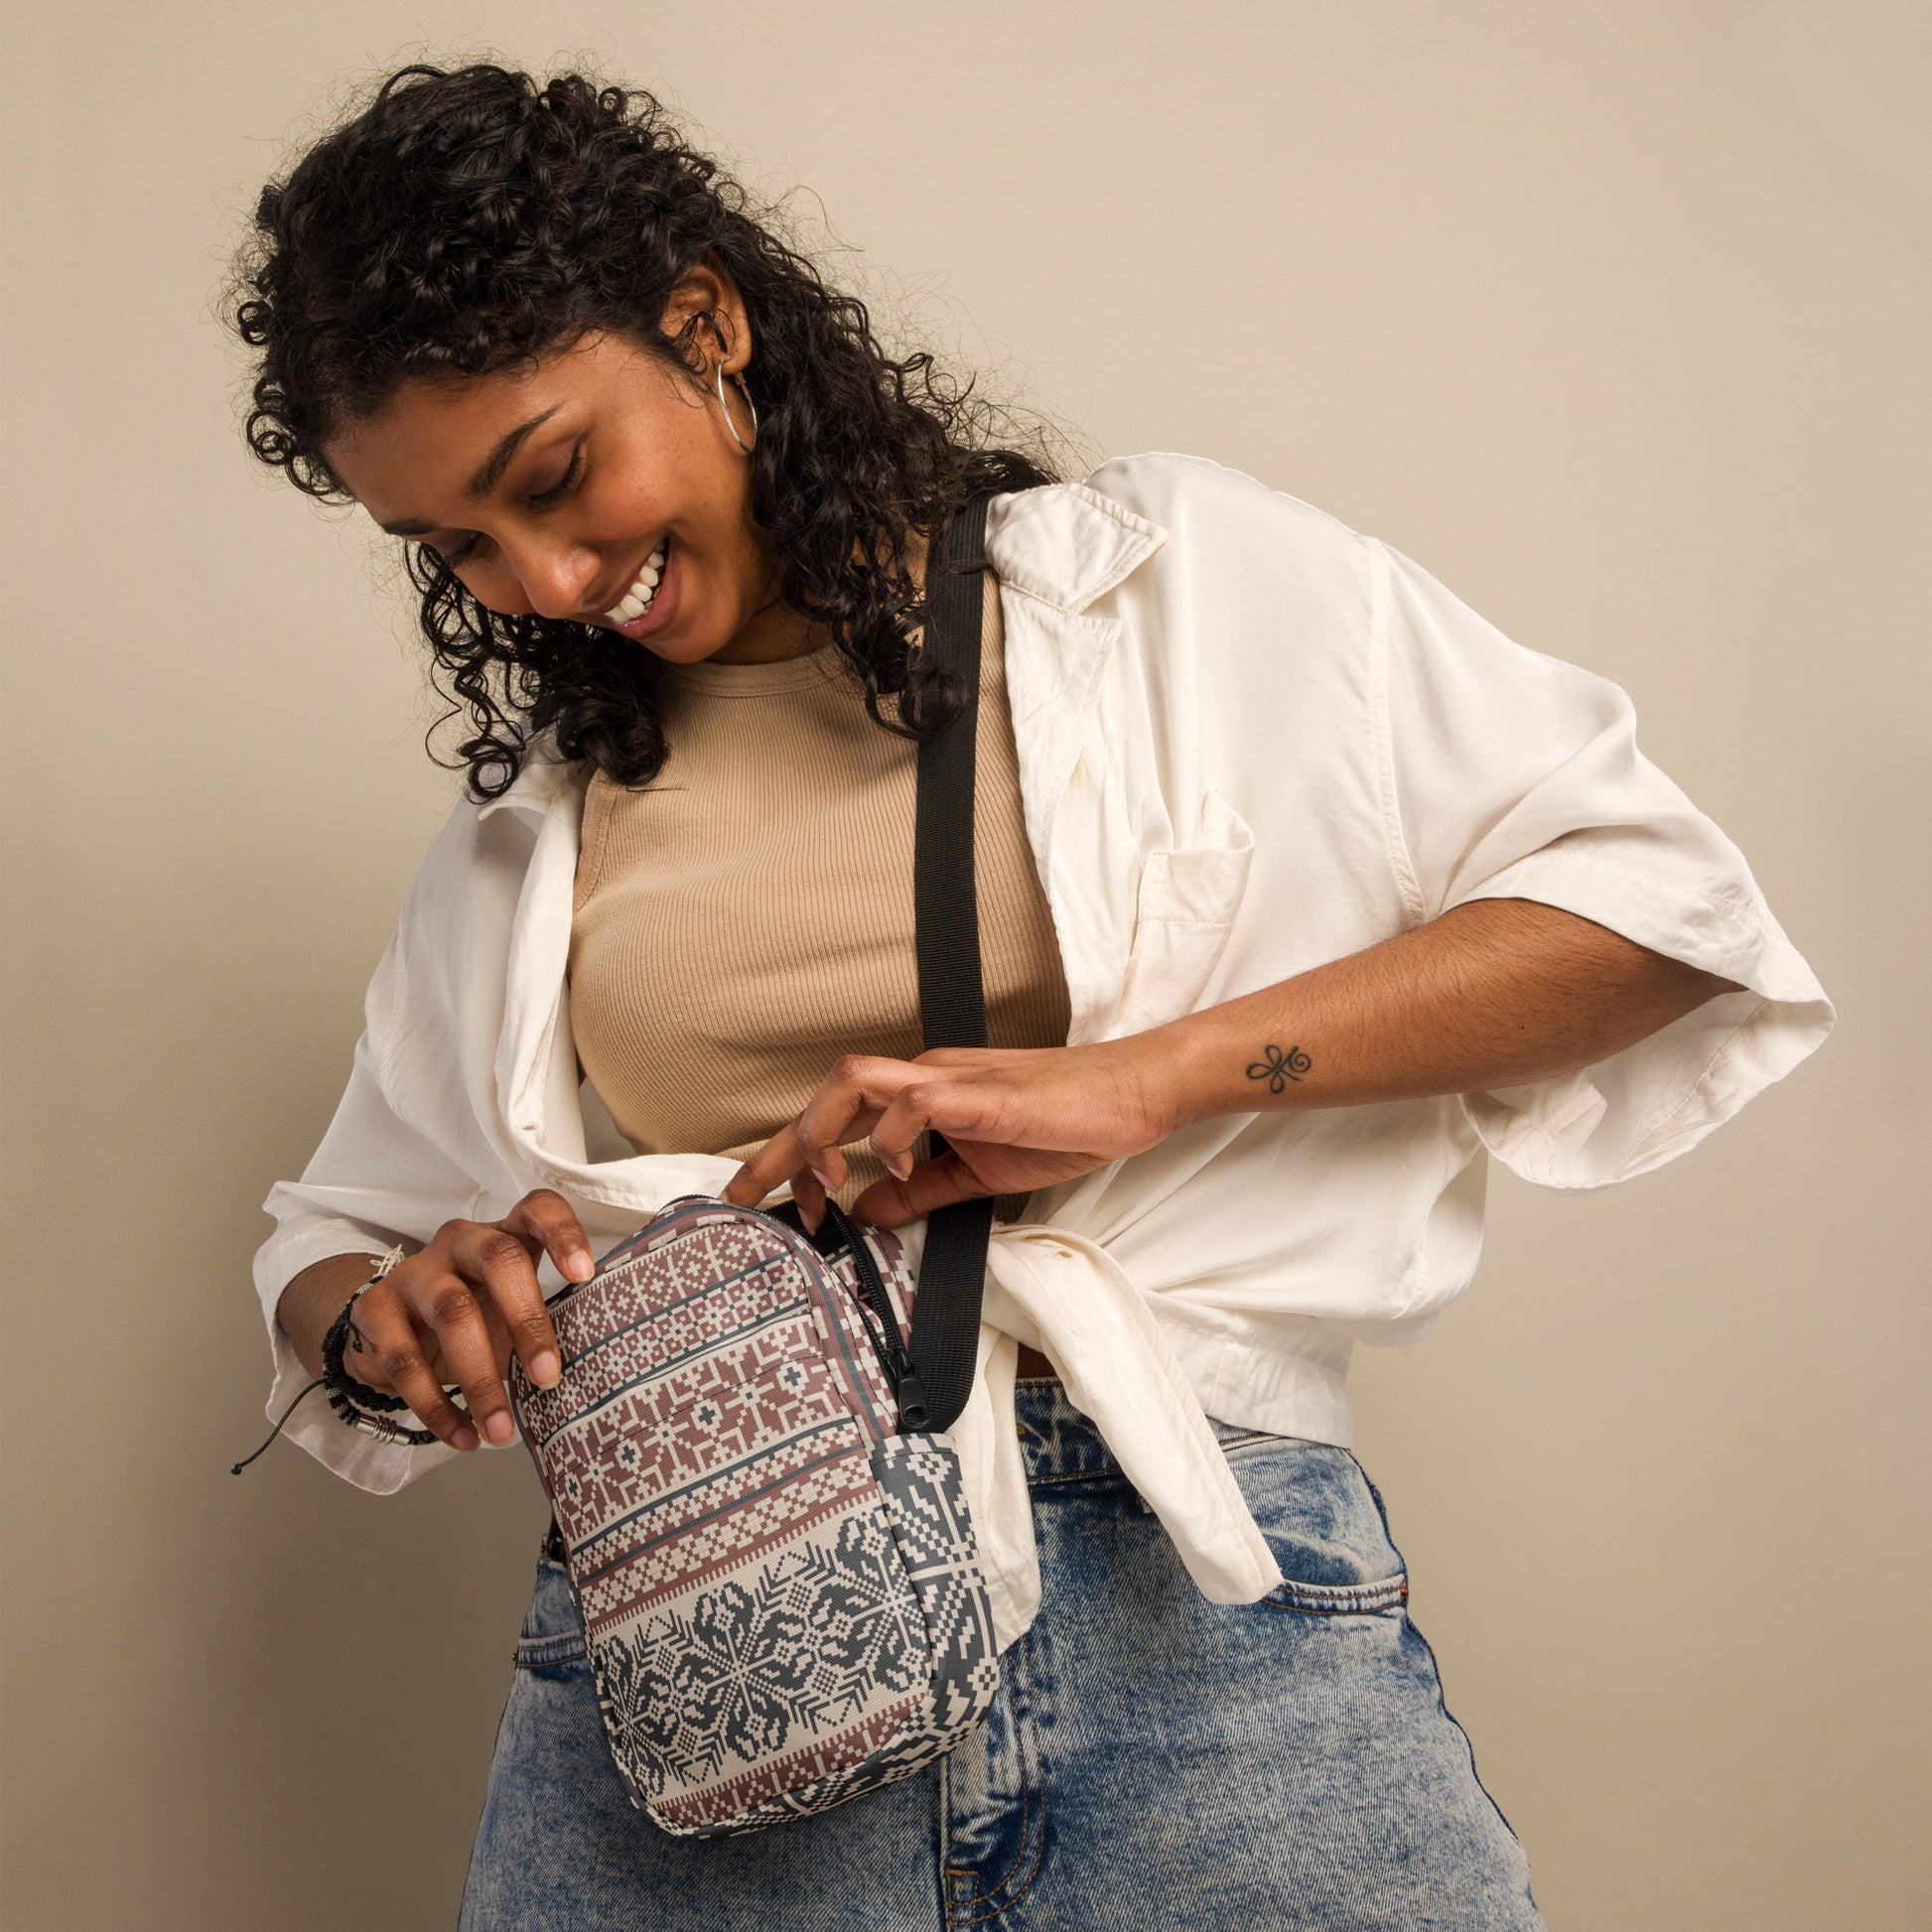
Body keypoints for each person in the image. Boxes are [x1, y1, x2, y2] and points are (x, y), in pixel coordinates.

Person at [232, 62, 1833, 1932]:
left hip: (1201, 1614)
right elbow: (330, 1240)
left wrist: (1148, 1078)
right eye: (460, 549)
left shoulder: (1162, 592)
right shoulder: (537, 826)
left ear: (707, 321)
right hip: (711, 1651)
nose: (549, 580)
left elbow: (1655, 916)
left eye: (556, 476)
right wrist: (396, 1315)